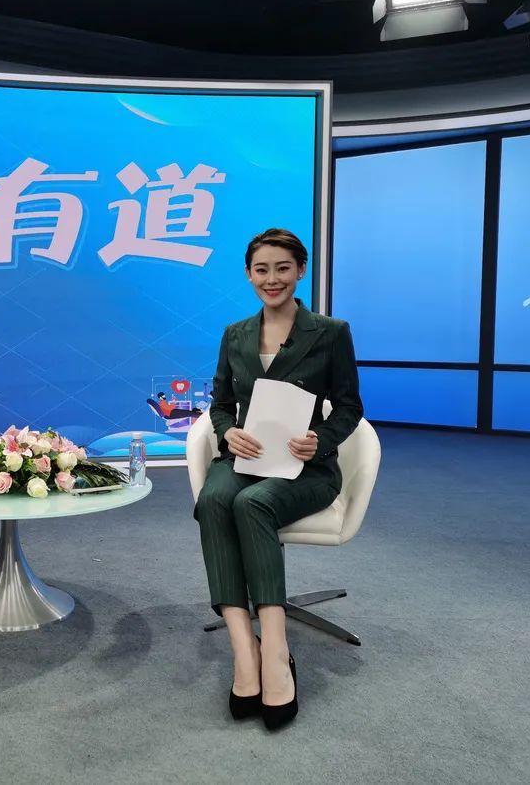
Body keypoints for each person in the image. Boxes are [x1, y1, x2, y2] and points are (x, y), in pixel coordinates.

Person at [194, 228, 362, 730]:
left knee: (253, 504)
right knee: (213, 500)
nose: (272, 279)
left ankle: (276, 650)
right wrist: (228, 433)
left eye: (282, 268)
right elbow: (221, 405)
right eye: (261, 269)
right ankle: (243, 650)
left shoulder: (330, 332)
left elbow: (350, 408)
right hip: (246, 460)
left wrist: (321, 439)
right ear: (249, 275)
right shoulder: (235, 334)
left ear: (301, 270)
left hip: (306, 468)